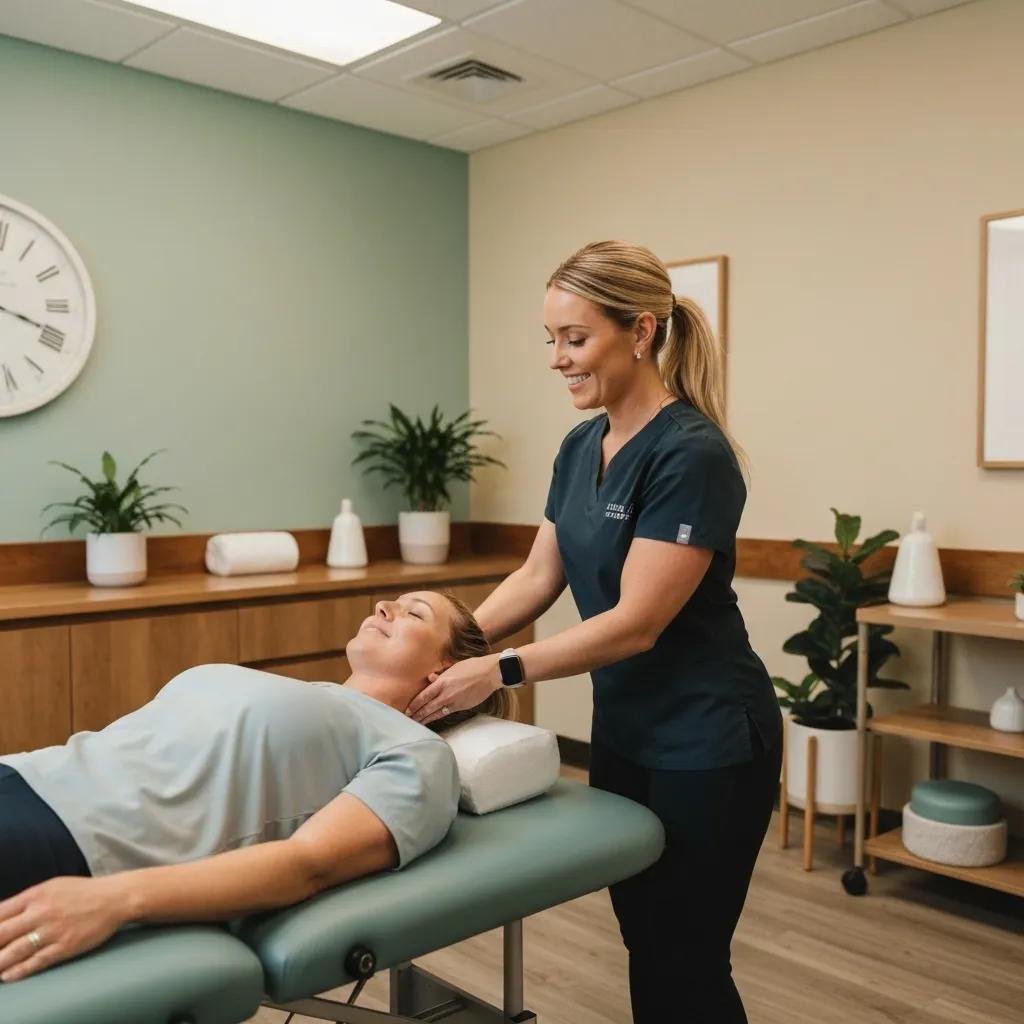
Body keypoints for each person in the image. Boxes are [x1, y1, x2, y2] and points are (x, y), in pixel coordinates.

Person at [406, 240, 784, 1023]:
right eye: (551, 339)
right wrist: (446, 646)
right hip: (627, 731)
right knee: (644, 938)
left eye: (574, 339)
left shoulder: (692, 454)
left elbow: (636, 624)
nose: (557, 359)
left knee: (685, 955)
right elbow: (537, 577)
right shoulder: (581, 446)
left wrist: (499, 670)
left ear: (640, 332)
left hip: (709, 738)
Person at [0, 589, 510, 984]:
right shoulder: (309, 693)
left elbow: (306, 864)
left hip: (76, 838)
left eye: (414, 613)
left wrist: (115, 899)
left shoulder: (415, 751)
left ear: (447, 670)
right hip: (27, 772)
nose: (384, 607)